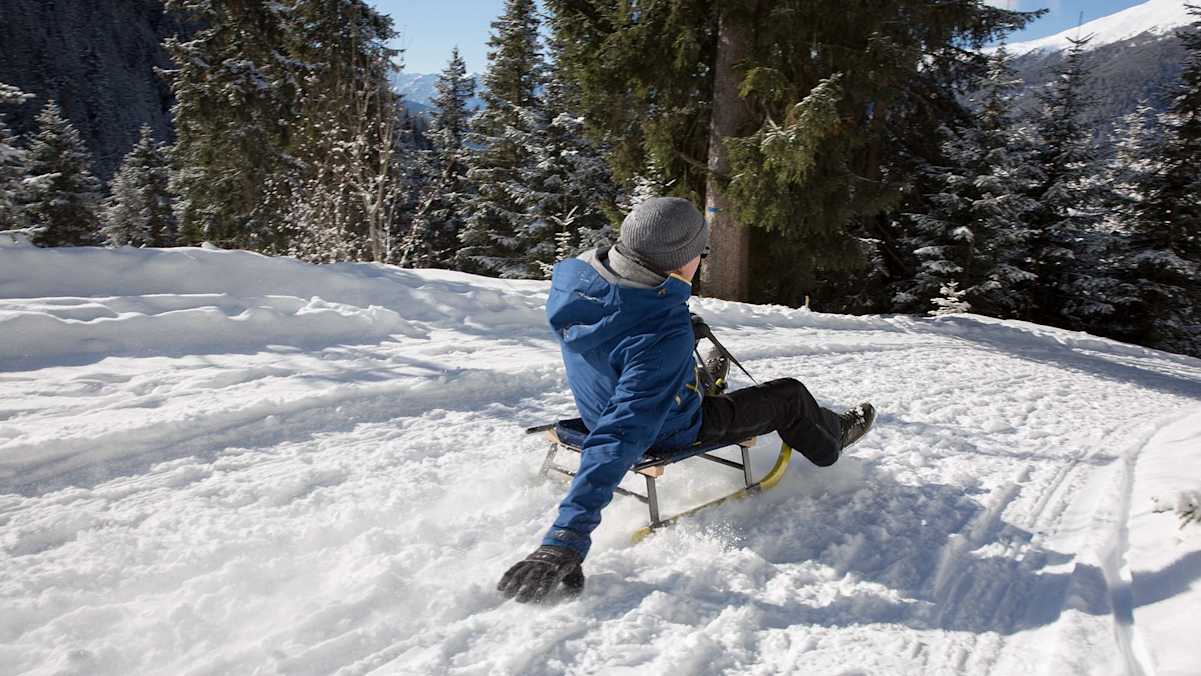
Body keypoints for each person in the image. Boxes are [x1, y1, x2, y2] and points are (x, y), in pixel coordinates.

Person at [497, 197, 876, 603]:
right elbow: (621, 433)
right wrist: (564, 539)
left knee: (670, 371)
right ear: (680, 261)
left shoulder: (578, 281)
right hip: (667, 428)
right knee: (790, 394)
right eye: (699, 253)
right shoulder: (660, 338)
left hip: (600, 402)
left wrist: (673, 316)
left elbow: (625, 332)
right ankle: (832, 439)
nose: (700, 261)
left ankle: (697, 379)